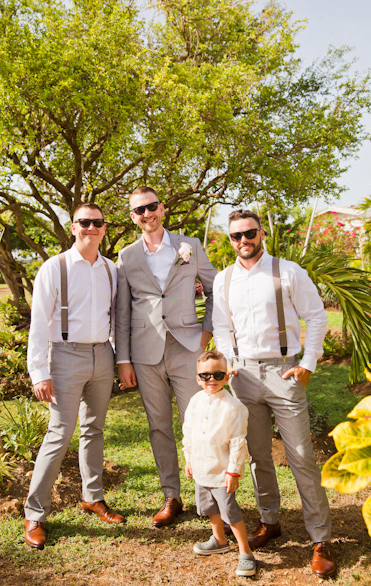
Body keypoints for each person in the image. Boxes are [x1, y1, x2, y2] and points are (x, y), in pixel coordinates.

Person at [212, 209, 336, 578]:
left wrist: (309, 362)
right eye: (236, 236)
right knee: (258, 456)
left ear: (261, 233)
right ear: (229, 240)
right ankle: (270, 522)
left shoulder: (288, 271)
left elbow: (316, 316)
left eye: (249, 233)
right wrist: (230, 360)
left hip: (284, 372)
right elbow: (221, 324)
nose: (243, 241)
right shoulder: (224, 279)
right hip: (243, 375)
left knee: (300, 456)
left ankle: (321, 539)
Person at [23, 203, 125, 550]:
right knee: (59, 434)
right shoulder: (55, 267)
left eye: (97, 222)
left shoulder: (111, 270)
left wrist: (115, 356)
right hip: (65, 356)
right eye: (85, 222)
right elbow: (38, 322)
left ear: (104, 227)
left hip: (102, 356)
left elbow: (115, 317)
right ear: (73, 227)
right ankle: (35, 514)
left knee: (93, 429)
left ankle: (92, 497)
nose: (91, 228)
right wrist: (39, 371)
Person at [115, 186, 217, 527]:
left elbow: (215, 290)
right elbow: (123, 312)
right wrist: (124, 359)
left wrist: (206, 332)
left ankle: (207, 500)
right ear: (133, 218)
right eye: (139, 210)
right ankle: (172, 496)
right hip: (145, 354)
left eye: (152, 207)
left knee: (197, 422)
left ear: (163, 208)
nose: (147, 214)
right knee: (159, 426)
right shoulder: (127, 256)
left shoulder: (190, 246)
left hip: (188, 345)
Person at [183, 350, 256, 578]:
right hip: (201, 468)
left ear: (226, 377)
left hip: (221, 470)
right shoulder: (195, 401)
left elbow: (237, 443)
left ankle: (245, 552)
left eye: (217, 374)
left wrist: (233, 471)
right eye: (205, 376)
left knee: (230, 512)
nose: (211, 380)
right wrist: (188, 459)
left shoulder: (233, 407)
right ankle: (219, 540)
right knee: (209, 508)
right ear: (198, 378)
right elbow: (188, 433)